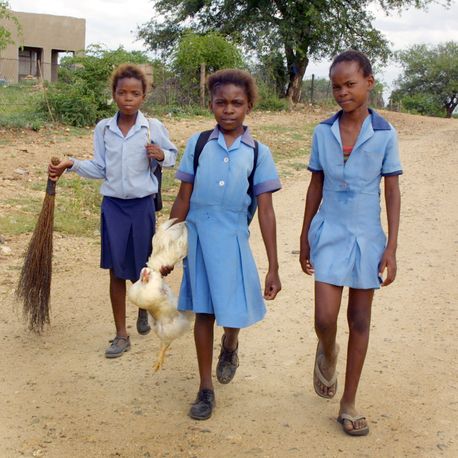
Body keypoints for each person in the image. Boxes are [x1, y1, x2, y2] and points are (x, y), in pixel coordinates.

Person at [163, 68, 282, 420]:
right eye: (221, 103)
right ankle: (205, 388)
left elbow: (266, 211)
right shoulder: (198, 144)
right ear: (211, 105)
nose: (228, 109)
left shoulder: (258, 153)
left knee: (231, 312)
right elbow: (183, 196)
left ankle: (230, 344)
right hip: (199, 241)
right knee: (205, 312)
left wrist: (274, 265)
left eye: (237, 103)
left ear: (248, 107)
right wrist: (168, 245)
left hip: (232, 241)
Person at [299, 50, 402, 436]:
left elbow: (391, 190)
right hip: (329, 231)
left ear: (369, 83)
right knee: (325, 318)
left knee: (359, 320)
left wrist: (390, 246)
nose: (342, 93)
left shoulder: (385, 134)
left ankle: (349, 402)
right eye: (336, 86)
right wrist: (305, 236)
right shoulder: (322, 132)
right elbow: (315, 184)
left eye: (350, 84)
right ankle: (327, 350)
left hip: (367, 236)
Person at [48, 63, 177, 358]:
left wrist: (161, 155)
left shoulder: (152, 127)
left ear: (144, 96)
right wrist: (72, 164)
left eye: (134, 93)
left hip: (142, 205)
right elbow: (100, 168)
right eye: (122, 93)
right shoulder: (104, 128)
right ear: (114, 95)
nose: (128, 98)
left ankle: (143, 306)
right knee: (116, 271)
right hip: (114, 208)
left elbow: (171, 155)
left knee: (144, 267)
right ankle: (121, 334)